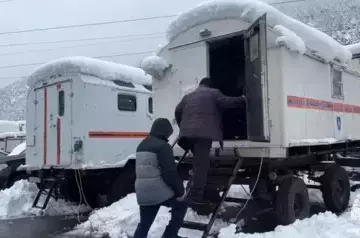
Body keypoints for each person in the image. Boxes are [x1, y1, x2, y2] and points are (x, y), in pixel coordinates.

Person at [175, 77, 246, 202]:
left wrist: (183, 127)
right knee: (202, 165)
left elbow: (177, 110)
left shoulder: (188, 96)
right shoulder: (214, 93)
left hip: (187, 136)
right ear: (210, 86)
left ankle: (192, 185)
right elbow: (227, 102)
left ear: (201, 85)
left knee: (198, 162)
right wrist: (243, 99)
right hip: (202, 135)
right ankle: (196, 195)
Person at [133, 118, 187, 238]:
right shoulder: (163, 146)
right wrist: (180, 192)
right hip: (157, 191)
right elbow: (169, 173)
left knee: (145, 223)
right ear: (165, 132)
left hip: (142, 192)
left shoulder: (141, 144)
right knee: (182, 204)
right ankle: (170, 235)